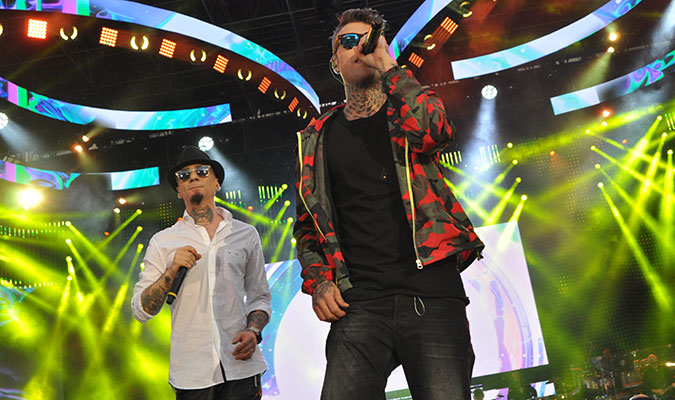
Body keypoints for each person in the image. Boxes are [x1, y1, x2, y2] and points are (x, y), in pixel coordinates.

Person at [293, 7, 484, 400]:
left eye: (369, 40)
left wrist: (388, 64)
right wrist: (320, 281)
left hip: (430, 290)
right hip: (359, 302)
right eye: (348, 42)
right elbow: (308, 225)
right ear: (335, 62)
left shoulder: (406, 113)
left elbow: (435, 131)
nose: (359, 47)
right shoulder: (316, 138)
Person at [131, 146, 271, 400]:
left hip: (241, 367)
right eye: (184, 176)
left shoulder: (245, 234)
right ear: (179, 190)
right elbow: (141, 310)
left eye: (202, 171)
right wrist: (171, 271)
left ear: (217, 183)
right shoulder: (163, 241)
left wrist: (254, 331)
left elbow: (259, 296)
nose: (193, 177)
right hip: (192, 374)